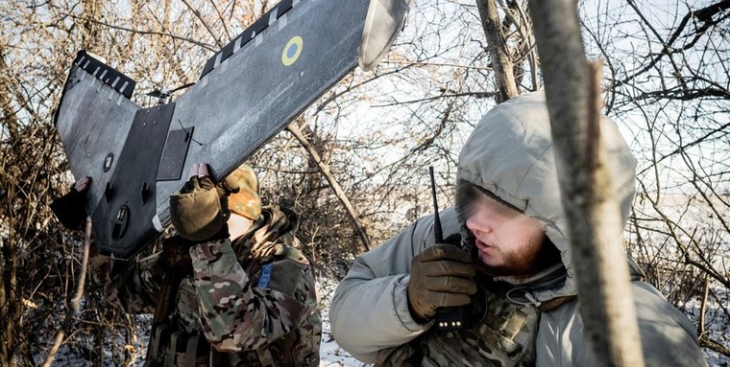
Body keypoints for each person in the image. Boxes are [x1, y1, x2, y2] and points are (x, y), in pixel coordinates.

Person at [329, 91, 707, 367]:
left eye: (505, 211)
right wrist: (408, 301)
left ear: (567, 231)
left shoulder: (632, 333)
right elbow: (346, 319)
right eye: (473, 195)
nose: (475, 220)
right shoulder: (446, 235)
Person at [51, 162, 322, 367]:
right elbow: (123, 292)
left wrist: (209, 239)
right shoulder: (188, 255)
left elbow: (234, 332)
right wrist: (94, 223)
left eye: (210, 213)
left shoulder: (284, 265)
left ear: (239, 210)